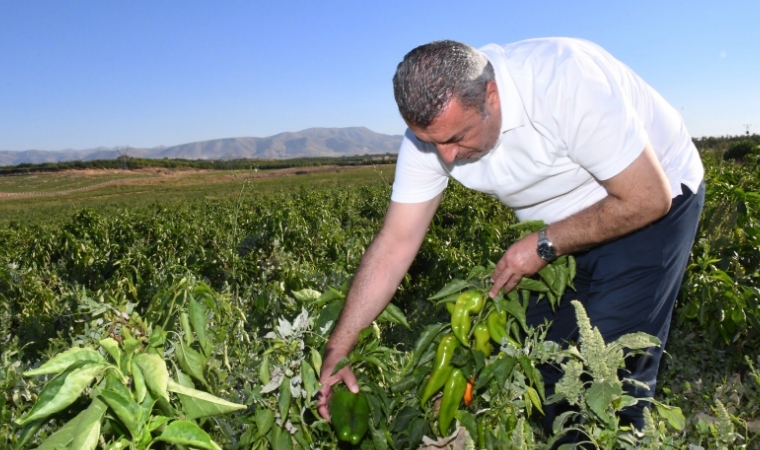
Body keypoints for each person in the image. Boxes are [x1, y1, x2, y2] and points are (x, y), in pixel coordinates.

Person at [317, 38, 705, 432]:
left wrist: (544, 244)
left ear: (492, 95)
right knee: (545, 363)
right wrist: (339, 348)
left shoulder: (564, 81)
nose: (445, 157)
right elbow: (395, 245)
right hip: (559, 222)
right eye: (431, 142)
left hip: (651, 201)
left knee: (607, 375)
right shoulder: (433, 138)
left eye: (456, 138)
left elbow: (647, 198)